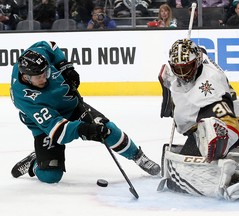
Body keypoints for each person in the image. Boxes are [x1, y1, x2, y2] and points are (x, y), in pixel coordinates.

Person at [10, 41, 160, 184]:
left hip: (71, 106)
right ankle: (35, 162)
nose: (45, 78)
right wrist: (86, 130)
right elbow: (59, 132)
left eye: (46, 72)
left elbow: (49, 45)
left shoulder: (35, 57)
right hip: (46, 126)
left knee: (107, 129)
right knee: (51, 176)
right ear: (26, 77)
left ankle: (138, 157)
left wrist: (65, 67)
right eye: (39, 77)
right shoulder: (24, 98)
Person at [157, 38, 239, 199]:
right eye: (177, 69)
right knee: (197, 142)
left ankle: (228, 168)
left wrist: (217, 143)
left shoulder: (212, 81)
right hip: (202, 125)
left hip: (229, 126)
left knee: (184, 171)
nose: (183, 74)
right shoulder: (195, 63)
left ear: (198, 61)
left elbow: (226, 121)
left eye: (186, 68)